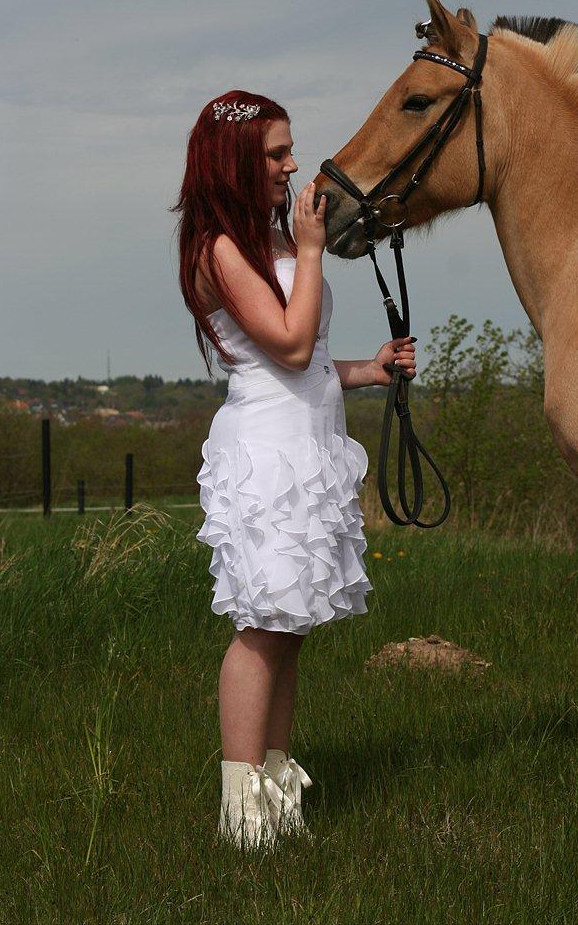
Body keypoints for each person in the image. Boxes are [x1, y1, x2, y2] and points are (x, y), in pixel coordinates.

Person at [171, 90, 416, 848]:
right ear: (238, 161)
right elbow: (286, 343)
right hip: (268, 461)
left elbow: (305, 366)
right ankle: (242, 813)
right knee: (260, 629)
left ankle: (276, 790)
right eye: (276, 153)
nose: (290, 165)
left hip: (307, 449)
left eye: (288, 150)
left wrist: (369, 371)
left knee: (291, 627)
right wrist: (311, 250)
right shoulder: (219, 246)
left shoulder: (268, 241)